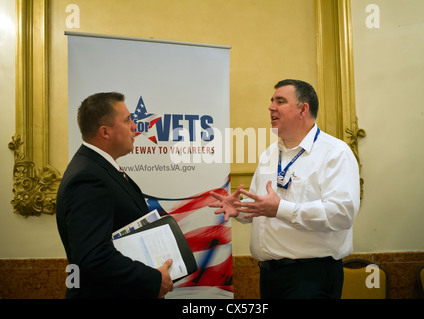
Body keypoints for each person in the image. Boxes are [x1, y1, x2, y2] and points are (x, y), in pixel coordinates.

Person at [210, 79, 360, 299]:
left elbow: (342, 213)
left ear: (303, 109)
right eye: (271, 101)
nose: (271, 107)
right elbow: (264, 206)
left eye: (280, 101)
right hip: (270, 277)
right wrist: (240, 209)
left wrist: (281, 209)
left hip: (311, 278)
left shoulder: (335, 153)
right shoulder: (270, 154)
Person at [56, 92, 173, 298]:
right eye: (127, 120)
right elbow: (95, 257)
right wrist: (152, 279)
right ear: (105, 132)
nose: (135, 126)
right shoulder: (87, 178)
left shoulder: (99, 168)